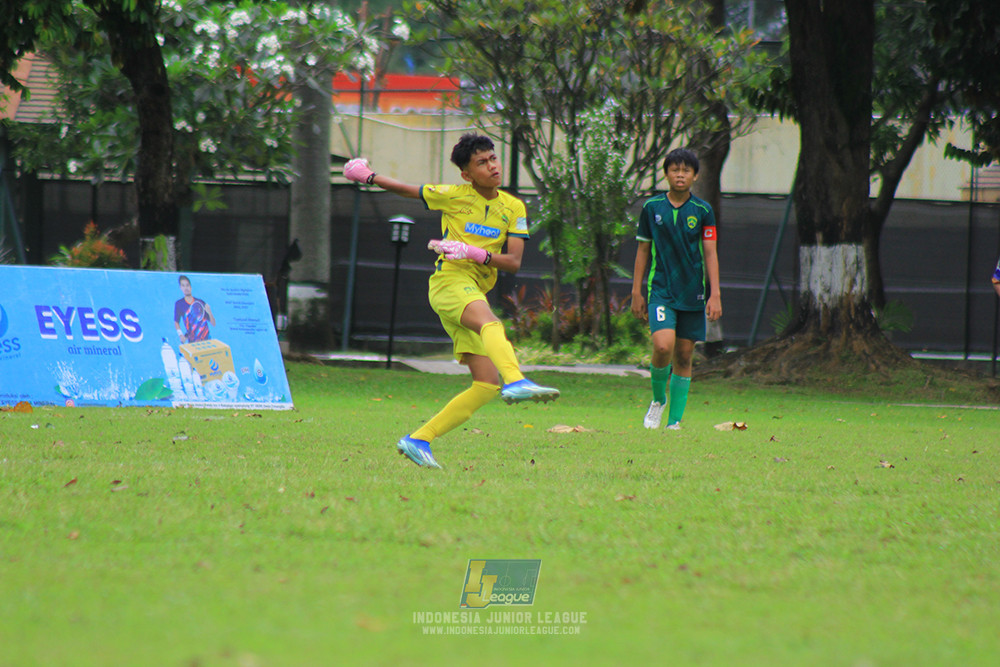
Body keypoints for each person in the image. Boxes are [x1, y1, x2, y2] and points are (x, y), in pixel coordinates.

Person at [343, 133, 559, 469]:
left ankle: (418, 439)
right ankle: (516, 381)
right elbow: (405, 189)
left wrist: (475, 252)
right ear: (467, 175)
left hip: (474, 287)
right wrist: (367, 176)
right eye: (481, 163)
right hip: (449, 283)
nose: (492, 166)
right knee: (491, 323)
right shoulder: (453, 196)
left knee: (486, 385)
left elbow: (514, 262)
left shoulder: (513, 206)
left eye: (493, 159)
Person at [630, 148, 721, 430]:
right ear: (666, 173)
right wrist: (636, 291)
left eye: (685, 170)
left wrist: (714, 294)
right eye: (674, 170)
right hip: (661, 291)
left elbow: (710, 253)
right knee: (662, 346)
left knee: (683, 354)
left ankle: (674, 423)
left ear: (695, 175)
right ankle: (658, 400)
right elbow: (643, 249)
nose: (680, 175)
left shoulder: (703, 211)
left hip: (692, 293)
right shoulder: (651, 208)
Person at [174, 275, 216, 343]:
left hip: (207, 341)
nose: (186, 288)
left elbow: (213, 323)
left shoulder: (200, 303)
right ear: (180, 287)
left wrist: (209, 312)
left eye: (187, 285)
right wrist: (181, 335)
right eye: (183, 285)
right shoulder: (179, 304)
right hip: (193, 343)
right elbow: (176, 322)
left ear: (190, 287)